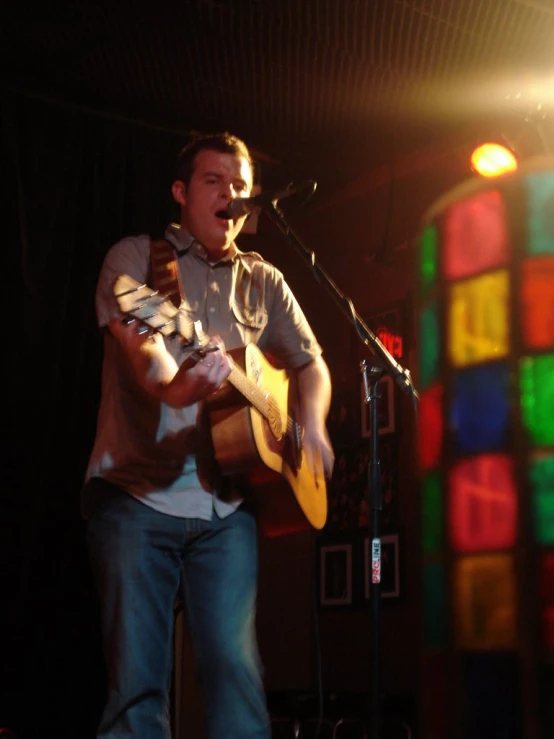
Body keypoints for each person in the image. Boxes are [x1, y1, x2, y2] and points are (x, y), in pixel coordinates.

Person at [82, 131, 335, 739]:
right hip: (137, 494)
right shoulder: (136, 264)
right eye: (214, 181)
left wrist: (312, 424)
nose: (231, 194)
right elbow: (147, 354)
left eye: (240, 185)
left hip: (228, 505)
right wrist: (177, 389)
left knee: (235, 674)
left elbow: (310, 364)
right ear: (181, 192)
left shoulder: (265, 280)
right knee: (137, 687)